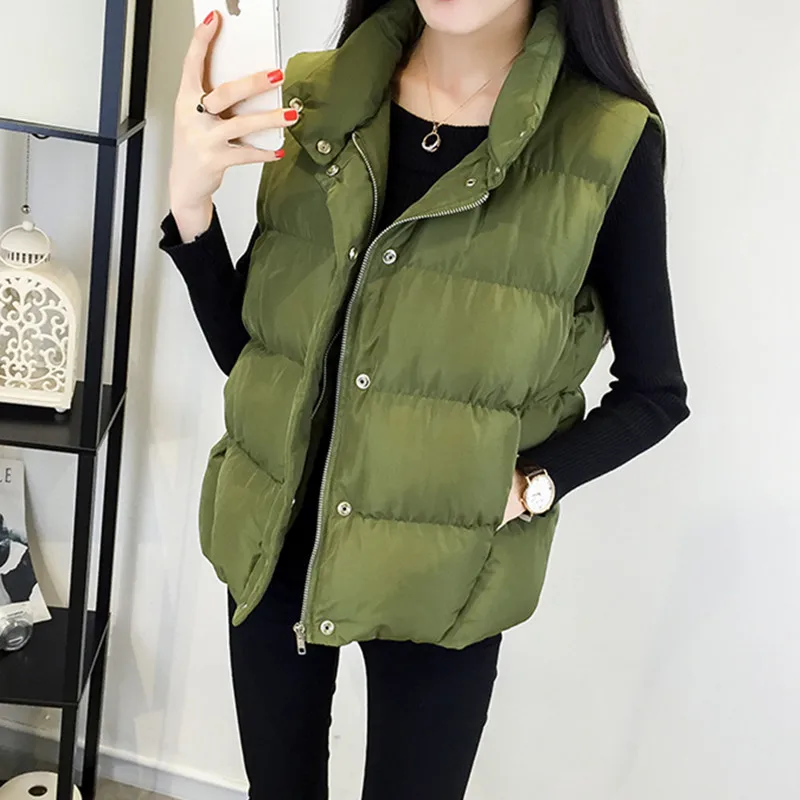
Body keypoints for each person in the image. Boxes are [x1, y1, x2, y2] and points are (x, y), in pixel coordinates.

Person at [160, 0, 690, 797]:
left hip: (446, 574)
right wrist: (192, 207)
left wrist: (529, 485)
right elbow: (258, 358)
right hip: (272, 539)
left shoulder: (603, 141)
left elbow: (655, 393)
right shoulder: (314, 99)